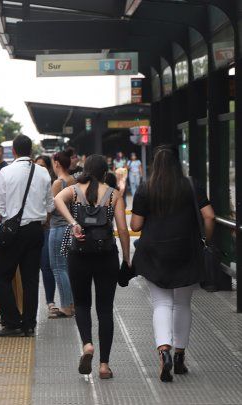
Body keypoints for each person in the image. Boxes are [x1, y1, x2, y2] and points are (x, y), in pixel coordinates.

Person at [130, 145, 215, 382]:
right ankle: (179, 356)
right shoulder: (191, 185)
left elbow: (135, 225)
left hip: (155, 252)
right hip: (186, 249)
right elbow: (209, 216)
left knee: (161, 303)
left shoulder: (146, 187)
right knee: (183, 303)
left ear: (154, 165)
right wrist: (206, 239)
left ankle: (164, 350)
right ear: (178, 164)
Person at [54, 154, 130, 379]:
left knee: (82, 304)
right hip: (106, 255)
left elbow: (57, 199)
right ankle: (104, 365)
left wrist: (74, 222)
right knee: (105, 310)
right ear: (106, 170)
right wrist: (127, 258)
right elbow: (124, 230)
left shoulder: (75, 190)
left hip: (79, 254)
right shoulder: (114, 194)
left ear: (86, 169)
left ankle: (87, 344)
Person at [0, 135, 54, 337]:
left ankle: (12, 321)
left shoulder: (6, 172)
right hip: (35, 231)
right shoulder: (43, 172)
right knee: (31, 280)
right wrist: (43, 224)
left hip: (13, 233)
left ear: (14, 152)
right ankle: (29, 325)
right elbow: (50, 206)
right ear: (31, 152)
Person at [49, 150, 75, 317]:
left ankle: (66, 306)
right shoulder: (72, 180)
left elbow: (51, 208)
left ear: (57, 163)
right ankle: (70, 303)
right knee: (65, 267)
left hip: (58, 227)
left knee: (58, 267)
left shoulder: (58, 183)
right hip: (70, 227)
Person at [34, 155, 56, 318]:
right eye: (37, 165)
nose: (40, 169)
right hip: (33, 228)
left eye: (43, 166)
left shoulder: (52, 183)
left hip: (48, 228)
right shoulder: (31, 183)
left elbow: (52, 204)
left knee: (47, 265)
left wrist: (47, 220)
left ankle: (50, 302)